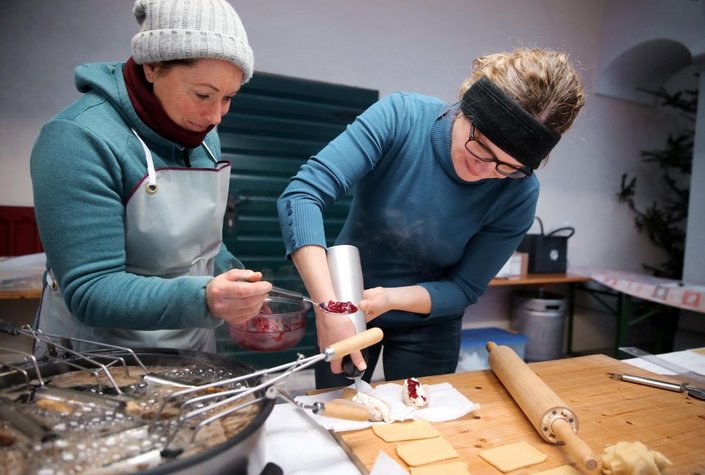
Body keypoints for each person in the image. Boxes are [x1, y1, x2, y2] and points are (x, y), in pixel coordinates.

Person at [277, 48, 586, 388]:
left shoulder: (520, 192)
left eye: (507, 167)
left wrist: (392, 299)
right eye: (481, 146)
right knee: (337, 409)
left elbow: (465, 287)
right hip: (345, 302)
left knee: (421, 423)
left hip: (430, 321)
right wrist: (329, 307)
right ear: (465, 109)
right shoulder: (402, 117)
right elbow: (303, 195)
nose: (484, 169)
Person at [30, 0, 272, 353]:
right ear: (153, 67)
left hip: (190, 352)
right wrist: (205, 299)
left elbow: (199, 246)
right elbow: (91, 290)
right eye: (203, 94)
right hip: (96, 366)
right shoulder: (78, 139)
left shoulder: (203, 137)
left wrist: (238, 280)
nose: (216, 116)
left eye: (228, 98)